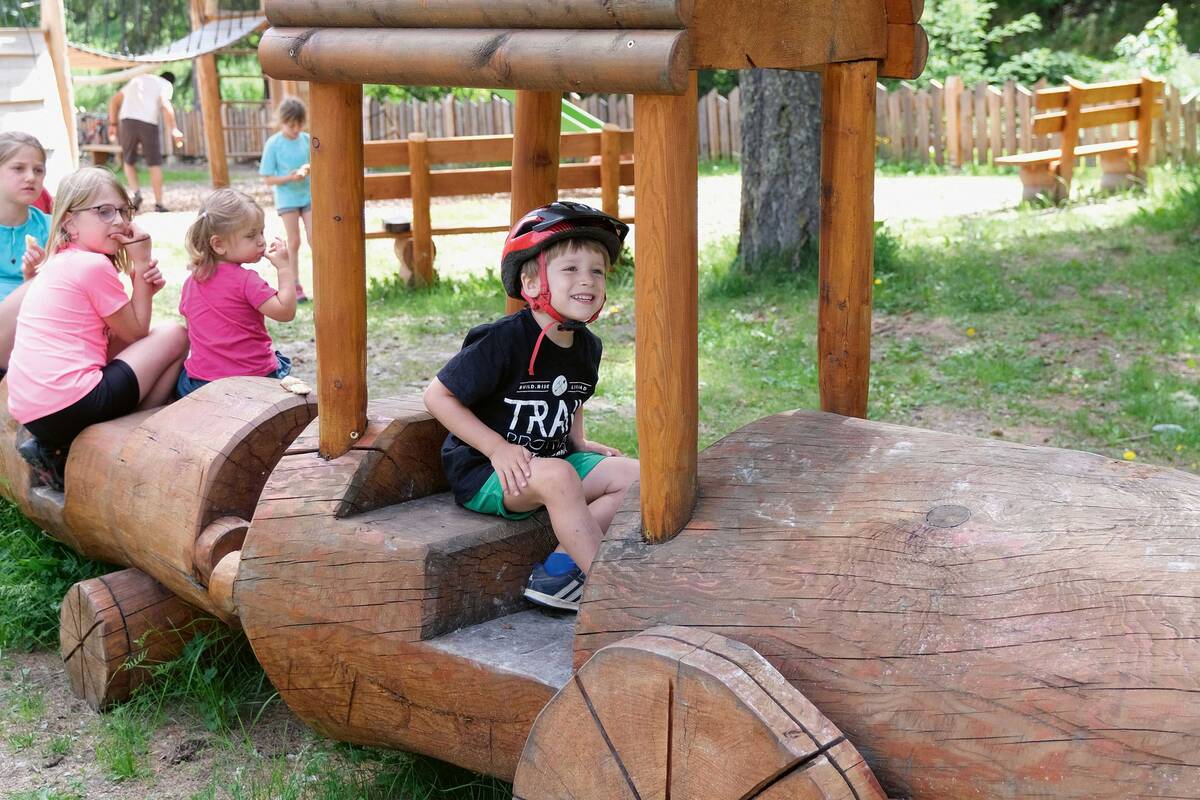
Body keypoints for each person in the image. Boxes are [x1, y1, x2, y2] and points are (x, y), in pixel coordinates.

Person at [423, 202, 640, 612]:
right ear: (531, 280)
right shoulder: (502, 340)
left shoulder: (587, 346)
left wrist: (579, 441)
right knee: (557, 475)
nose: (588, 280)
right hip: (488, 471)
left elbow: (573, 395)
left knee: (636, 476)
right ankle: (616, 599)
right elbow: (437, 396)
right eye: (571, 269)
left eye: (597, 270)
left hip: (550, 461)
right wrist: (496, 449)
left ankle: (559, 573)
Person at [7, 167, 188, 490]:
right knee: (175, 334)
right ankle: (127, 435)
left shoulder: (60, 262)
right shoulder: (92, 266)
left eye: (123, 210)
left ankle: (56, 446)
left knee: (143, 345)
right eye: (104, 212)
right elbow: (135, 333)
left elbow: (116, 339)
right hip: (71, 403)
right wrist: (142, 264)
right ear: (69, 222)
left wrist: (140, 285)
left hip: (35, 412)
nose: (119, 221)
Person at [175, 188, 296, 398]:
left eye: (261, 231)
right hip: (253, 378)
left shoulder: (191, 282)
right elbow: (285, 312)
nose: (261, 241)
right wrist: (284, 268)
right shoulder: (246, 280)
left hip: (202, 383)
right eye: (251, 235)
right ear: (218, 244)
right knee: (280, 365)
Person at [0, 132, 51, 377]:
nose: (31, 177)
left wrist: (42, 272)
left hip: (39, 329)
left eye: (38, 170)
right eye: (18, 168)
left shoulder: (52, 228)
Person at [259, 97, 311, 302]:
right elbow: (268, 179)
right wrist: (290, 177)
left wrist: (307, 169)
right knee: (294, 241)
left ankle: (323, 279)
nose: (296, 129)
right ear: (282, 122)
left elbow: (315, 163)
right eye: (292, 125)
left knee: (315, 238)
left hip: (307, 196)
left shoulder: (307, 140)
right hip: (287, 199)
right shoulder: (274, 144)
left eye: (299, 124)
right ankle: (295, 283)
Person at [108, 70, 183, 213]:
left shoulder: (138, 79)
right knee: (154, 163)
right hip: (148, 122)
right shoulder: (166, 84)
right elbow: (166, 105)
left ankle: (136, 193)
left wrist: (113, 124)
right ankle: (159, 203)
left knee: (128, 161)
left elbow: (114, 100)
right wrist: (174, 128)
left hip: (127, 120)